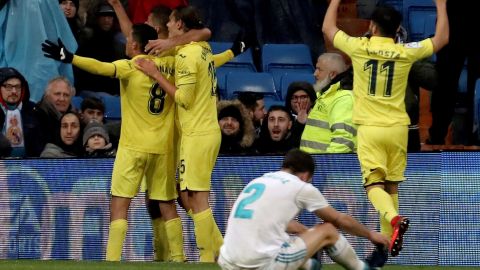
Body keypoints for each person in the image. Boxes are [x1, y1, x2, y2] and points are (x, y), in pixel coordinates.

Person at [41, 23, 184, 261]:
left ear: (136, 45)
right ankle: (178, 258)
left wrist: (70, 57)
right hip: (162, 149)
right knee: (167, 204)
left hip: (133, 148)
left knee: (120, 205)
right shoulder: (170, 66)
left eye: (129, 39)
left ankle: (113, 261)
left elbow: (100, 68)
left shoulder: (132, 66)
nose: (126, 42)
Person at [322, 0, 449, 257]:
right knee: (391, 186)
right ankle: (385, 245)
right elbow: (442, 39)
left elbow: (327, 28)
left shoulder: (359, 47)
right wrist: (441, 5)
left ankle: (393, 219)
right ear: (397, 29)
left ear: (372, 26)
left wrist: (335, 1)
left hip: (370, 128)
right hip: (399, 129)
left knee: (373, 186)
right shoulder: (406, 51)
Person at [135, 6, 223, 262]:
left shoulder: (186, 56)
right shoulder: (203, 48)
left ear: (180, 25)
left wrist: (154, 75)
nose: (169, 26)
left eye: (172, 22)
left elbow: (184, 98)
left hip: (197, 133)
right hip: (206, 130)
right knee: (194, 196)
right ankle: (222, 251)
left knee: (197, 198)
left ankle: (208, 256)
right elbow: (203, 33)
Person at [218, 149, 390, 270]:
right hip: (261, 264)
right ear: (305, 175)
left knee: (286, 240)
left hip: (228, 261)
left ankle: (309, 266)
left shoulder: (259, 181)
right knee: (328, 229)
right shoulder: (300, 186)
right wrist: (370, 234)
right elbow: (339, 220)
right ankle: (363, 268)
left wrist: (308, 234)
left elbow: (269, 220)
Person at [428, 1, 480, 146]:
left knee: (475, 84)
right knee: (445, 82)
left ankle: (474, 137)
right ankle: (437, 137)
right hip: (453, 19)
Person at [300, 52, 357, 154]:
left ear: (332, 74)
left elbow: (342, 141)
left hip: (325, 166)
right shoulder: (325, 94)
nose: (315, 73)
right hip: (313, 165)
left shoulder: (343, 98)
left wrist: (329, 167)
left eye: (319, 70)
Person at [0, 67, 42, 157]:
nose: (14, 91)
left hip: (29, 166)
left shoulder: (34, 111)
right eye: (8, 87)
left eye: (18, 87)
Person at [35, 76, 75, 150]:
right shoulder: (36, 117)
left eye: (66, 95)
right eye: (57, 94)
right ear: (47, 96)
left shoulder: (75, 119)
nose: (62, 99)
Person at [284, 81, 316, 146]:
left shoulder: (319, 118)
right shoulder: (282, 119)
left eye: (303, 97)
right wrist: (299, 124)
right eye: (295, 98)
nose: (299, 101)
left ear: (312, 101)